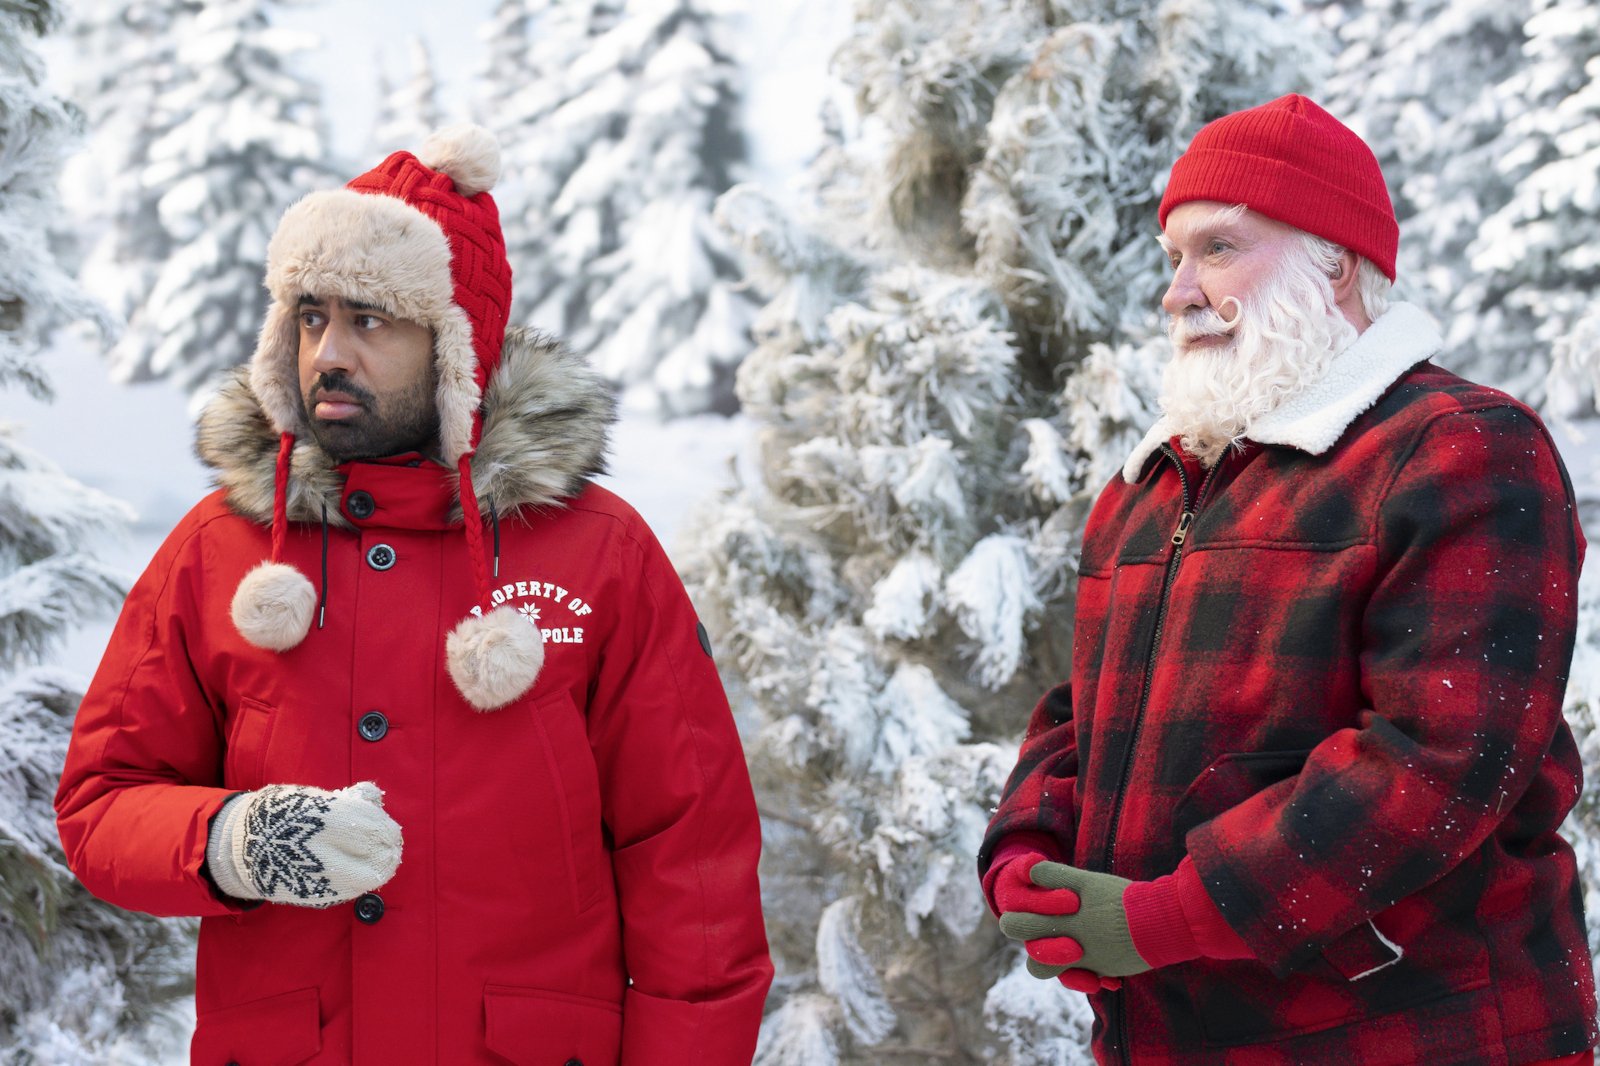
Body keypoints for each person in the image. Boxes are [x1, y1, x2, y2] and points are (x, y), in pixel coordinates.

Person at [55, 125, 772, 1065]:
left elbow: (694, 863)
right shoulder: (216, 551)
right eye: (310, 318)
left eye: (370, 319)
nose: (329, 354)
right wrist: (233, 840)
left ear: (455, 348)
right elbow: (101, 804)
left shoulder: (600, 553)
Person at [979, 94, 1598, 1064]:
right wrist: (1027, 853)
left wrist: (1169, 915)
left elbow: (1439, 760)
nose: (1177, 291)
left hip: (1413, 1034)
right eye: (1172, 256)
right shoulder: (1149, 485)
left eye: (1219, 249)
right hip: (1173, 1034)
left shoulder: (1460, 446)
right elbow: (1080, 711)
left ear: (1336, 259)